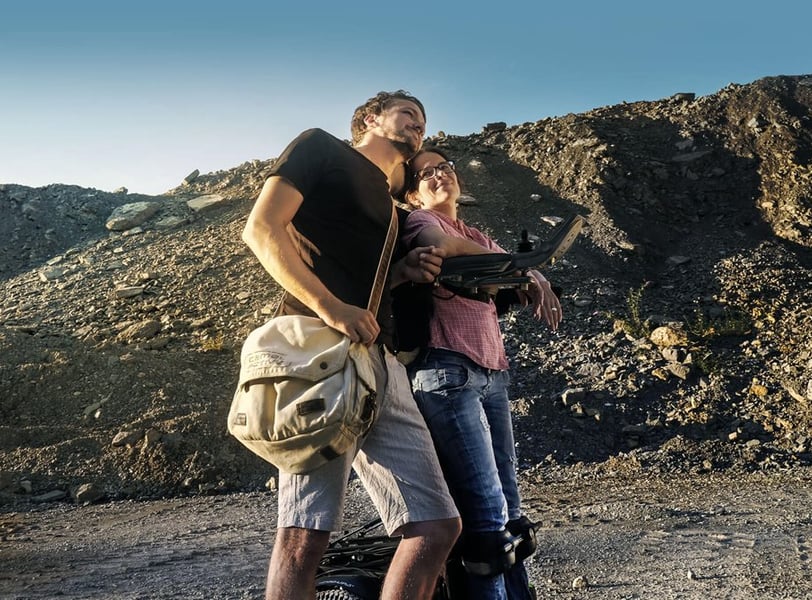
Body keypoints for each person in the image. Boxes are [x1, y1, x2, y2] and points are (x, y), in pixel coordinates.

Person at [242, 93, 462, 600]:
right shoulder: (320, 148)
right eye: (408, 114)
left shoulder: (390, 204)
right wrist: (329, 306)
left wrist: (401, 273)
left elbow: (365, 277)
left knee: (435, 526)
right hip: (321, 353)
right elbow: (261, 228)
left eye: (424, 121)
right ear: (370, 119)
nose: (419, 125)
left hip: (381, 361)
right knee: (305, 533)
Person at [399, 147, 563, 600]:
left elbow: (507, 275)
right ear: (413, 194)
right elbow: (443, 246)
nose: (439, 175)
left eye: (445, 167)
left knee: (510, 508)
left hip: (490, 372)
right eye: (426, 174)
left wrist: (530, 277)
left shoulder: (475, 233)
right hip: (446, 371)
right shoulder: (420, 221)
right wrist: (521, 269)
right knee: (486, 513)